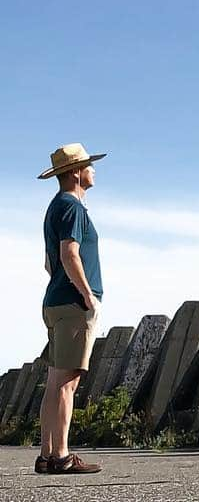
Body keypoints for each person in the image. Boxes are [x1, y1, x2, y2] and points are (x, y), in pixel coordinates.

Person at [36, 144, 107, 475]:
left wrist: (65, 285)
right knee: (68, 382)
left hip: (55, 301)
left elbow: (49, 263)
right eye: (89, 166)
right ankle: (62, 456)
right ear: (76, 172)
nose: (93, 171)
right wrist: (87, 295)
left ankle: (47, 454)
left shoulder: (55, 207)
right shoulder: (73, 207)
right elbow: (68, 254)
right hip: (73, 304)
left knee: (55, 380)